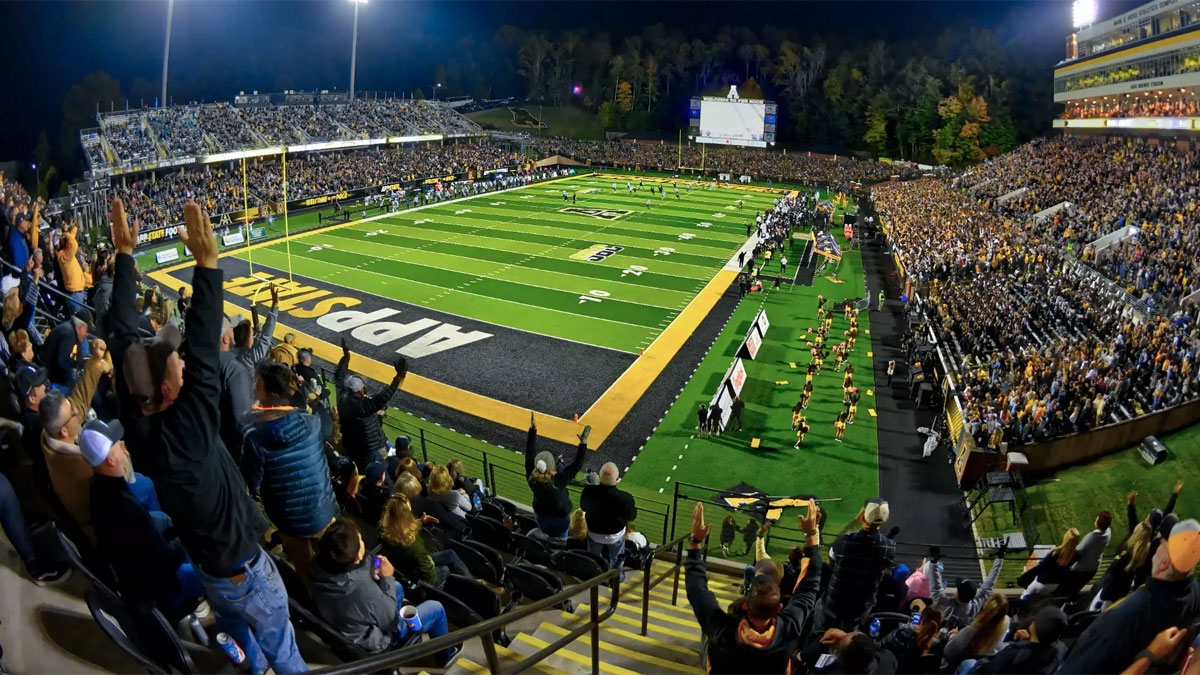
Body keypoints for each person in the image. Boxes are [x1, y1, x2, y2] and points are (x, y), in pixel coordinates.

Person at [108, 198, 306, 675]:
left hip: (210, 570)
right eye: (172, 359)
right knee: (288, 656)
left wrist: (124, 257)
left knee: (247, 644)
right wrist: (207, 262)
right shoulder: (189, 426)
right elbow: (198, 343)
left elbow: (119, 337)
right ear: (169, 386)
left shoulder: (140, 419)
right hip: (245, 573)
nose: (180, 356)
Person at [82, 418, 204, 618]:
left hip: (135, 576)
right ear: (110, 459)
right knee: (212, 571)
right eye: (116, 444)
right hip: (159, 591)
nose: (122, 446)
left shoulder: (98, 490)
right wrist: (187, 537)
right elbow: (164, 561)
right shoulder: (125, 508)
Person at [686, 500, 822, 673]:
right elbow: (810, 586)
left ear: (745, 604)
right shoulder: (789, 628)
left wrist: (696, 542)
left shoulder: (722, 629)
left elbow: (696, 589)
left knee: (707, 636)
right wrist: (811, 534)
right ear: (780, 607)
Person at [309, 518, 459, 664]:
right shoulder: (363, 590)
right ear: (358, 555)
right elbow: (390, 622)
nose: (362, 542)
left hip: (348, 620)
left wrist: (373, 569)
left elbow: (361, 574)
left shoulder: (319, 564)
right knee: (435, 608)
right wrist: (387, 577)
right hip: (377, 642)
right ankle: (445, 655)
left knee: (398, 587)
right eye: (360, 540)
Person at [1059, 519, 1200, 674]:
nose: (1157, 546)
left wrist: (1147, 657)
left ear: (1164, 563)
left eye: (1162, 544)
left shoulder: (1124, 615)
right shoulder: (1193, 594)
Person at [242, 360, 338, 581]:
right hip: (324, 508)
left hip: (290, 522)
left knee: (305, 572)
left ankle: (313, 602)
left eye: (258, 387)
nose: (254, 390)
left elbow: (252, 483)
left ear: (272, 396)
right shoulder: (312, 422)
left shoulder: (254, 437)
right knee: (336, 565)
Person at [38, 340, 115, 537]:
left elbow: (78, 404)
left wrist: (95, 362)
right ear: (65, 431)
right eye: (72, 412)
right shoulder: (83, 463)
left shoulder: (48, 433)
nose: (76, 410)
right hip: (105, 527)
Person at [819, 498, 895, 631]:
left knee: (821, 631)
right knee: (848, 634)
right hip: (861, 605)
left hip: (835, 602)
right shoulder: (889, 547)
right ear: (885, 519)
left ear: (862, 516)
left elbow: (829, 565)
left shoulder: (842, 542)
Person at [336, 337, 406, 472]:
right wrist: (397, 378)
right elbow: (382, 398)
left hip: (352, 445)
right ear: (361, 391)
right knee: (377, 473)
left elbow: (340, 373)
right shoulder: (361, 406)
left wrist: (346, 356)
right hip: (369, 450)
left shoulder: (342, 397)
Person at [377, 493, 470, 585]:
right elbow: (431, 577)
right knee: (448, 565)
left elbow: (399, 527)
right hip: (423, 575)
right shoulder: (413, 544)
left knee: (450, 554)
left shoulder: (382, 529)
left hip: (405, 565)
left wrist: (420, 521)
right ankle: (472, 583)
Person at [524, 413, 589, 539]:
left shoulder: (531, 477)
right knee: (561, 540)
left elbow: (529, 454)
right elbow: (576, 465)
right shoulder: (558, 481)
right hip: (560, 517)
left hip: (541, 514)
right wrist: (583, 443)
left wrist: (532, 431)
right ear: (551, 466)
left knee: (544, 535)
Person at [579, 462, 637, 578]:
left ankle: (592, 575)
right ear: (617, 479)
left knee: (593, 557)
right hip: (615, 536)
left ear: (599, 477)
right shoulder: (626, 498)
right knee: (617, 557)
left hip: (594, 533)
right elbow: (632, 516)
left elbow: (584, 507)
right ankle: (616, 577)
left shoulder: (588, 491)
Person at [971, 605, 1067, 674]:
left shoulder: (1014, 655)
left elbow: (985, 671)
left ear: (1036, 626)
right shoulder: (1061, 650)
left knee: (968, 663)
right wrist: (1027, 642)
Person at [928, 544, 1005, 629]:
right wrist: (1000, 559)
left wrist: (933, 563)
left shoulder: (945, 603)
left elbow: (936, 587)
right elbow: (989, 584)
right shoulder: (974, 607)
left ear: (957, 595)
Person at [217, 313, 255, 465]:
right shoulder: (234, 370)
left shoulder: (200, 363)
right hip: (232, 452)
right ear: (225, 338)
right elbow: (243, 421)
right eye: (231, 329)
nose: (234, 331)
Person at [941, 593, 1010, 671]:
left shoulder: (969, 632)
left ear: (985, 609)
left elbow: (948, 652)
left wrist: (952, 635)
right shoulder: (1003, 629)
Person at [1059, 510, 1112, 597]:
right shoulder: (1108, 532)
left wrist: (1066, 565)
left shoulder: (1091, 537)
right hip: (1093, 568)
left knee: (1066, 590)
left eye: (1097, 519)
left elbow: (1078, 553)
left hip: (1081, 569)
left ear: (1098, 523)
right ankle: (1071, 603)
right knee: (1075, 589)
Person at [1018, 528, 1080, 599]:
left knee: (1026, 595)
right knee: (1041, 598)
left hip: (1041, 582)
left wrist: (1024, 576)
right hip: (1054, 585)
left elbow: (1041, 567)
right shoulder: (1075, 555)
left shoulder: (1056, 552)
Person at [41, 315, 89, 389]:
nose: (86, 334)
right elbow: (62, 362)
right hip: (50, 373)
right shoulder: (69, 334)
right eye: (86, 330)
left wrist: (78, 362)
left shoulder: (71, 329)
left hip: (52, 368)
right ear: (80, 327)